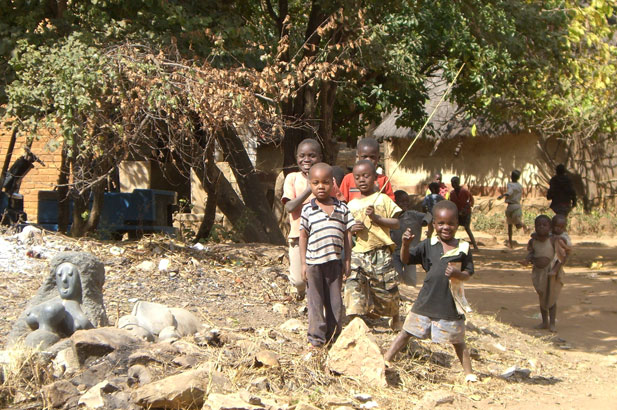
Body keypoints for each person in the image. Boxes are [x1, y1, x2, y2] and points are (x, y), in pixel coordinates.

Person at [384, 200, 476, 382]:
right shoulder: (428, 244)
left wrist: (458, 274)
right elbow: (406, 259)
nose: (446, 227)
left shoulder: (463, 247)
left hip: (450, 301)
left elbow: (468, 272)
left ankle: (469, 374)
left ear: (457, 224)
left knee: (458, 340)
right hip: (427, 298)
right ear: (434, 224)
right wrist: (405, 244)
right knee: (407, 332)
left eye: (450, 223)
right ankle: (386, 359)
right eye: (441, 223)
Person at [299, 163, 354, 348]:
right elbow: (303, 236)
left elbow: (347, 235)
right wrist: (303, 264)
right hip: (314, 264)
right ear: (310, 184)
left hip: (334, 262)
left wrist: (347, 260)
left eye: (325, 182)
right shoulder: (307, 209)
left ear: (333, 183)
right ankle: (316, 339)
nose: (320, 186)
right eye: (315, 183)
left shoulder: (342, 208)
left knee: (335, 302)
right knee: (315, 301)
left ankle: (334, 337)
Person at [345, 160, 402, 329]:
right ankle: (356, 320)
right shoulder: (351, 205)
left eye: (366, 176)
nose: (361, 180)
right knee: (354, 283)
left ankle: (395, 317)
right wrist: (352, 229)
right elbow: (347, 230)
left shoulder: (382, 199)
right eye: (357, 177)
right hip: (359, 252)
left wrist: (376, 218)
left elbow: (396, 223)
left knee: (387, 288)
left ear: (375, 178)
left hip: (380, 252)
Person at [282, 138, 341, 300]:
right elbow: (289, 207)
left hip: (323, 237)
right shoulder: (292, 178)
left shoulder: (328, 180)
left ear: (320, 157)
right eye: (302, 156)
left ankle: (315, 304)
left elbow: (338, 203)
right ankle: (302, 292)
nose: (306, 160)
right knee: (299, 280)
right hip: (298, 236)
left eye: (312, 156)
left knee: (321, 276)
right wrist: (309, 189)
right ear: (296, 158)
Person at [521, 215, 568, 332]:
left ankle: (552, 323)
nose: (541, 227)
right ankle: (544, 322)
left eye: (544, 225)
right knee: (542, 297)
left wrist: (555, 270)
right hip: (539, 272)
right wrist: (526, 260)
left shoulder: (553, 240)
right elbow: (532, 253)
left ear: (550, 227)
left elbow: (561, 257)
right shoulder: (533, 241)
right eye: (538, 225)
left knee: (551, 298)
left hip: (551, 272)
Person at [391, 190, 431, 287]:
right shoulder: (390, 218)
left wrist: (425, 221)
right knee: (396, 277)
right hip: (395, 253)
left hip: (410, 253)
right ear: (394, 202)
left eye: (407, 201)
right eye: (402, 201)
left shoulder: (414, 215)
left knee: (411, 278)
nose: (405, 203)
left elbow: (429, 215)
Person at [497, 170, 526, 248]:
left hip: (511, 206)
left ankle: (510, 243)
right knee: (517, 225)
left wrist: (502, 195)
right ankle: (523, 225)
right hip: (517, 206)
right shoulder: (520, 186)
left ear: (511, 176)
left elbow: (510, 192)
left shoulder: (510, 184)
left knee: (510, 225)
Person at [449, 177, 478, 250]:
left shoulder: (465, 192)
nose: (454, 184)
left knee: (467, 228)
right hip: (457, 213)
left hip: (466, 213)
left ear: (458, 183)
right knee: (454, 228)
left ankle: (475, 246)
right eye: (452, 183)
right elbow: (451, 204)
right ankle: (450, 245)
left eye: (455, 182)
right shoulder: (452, 193)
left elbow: (470, 201)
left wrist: (464, 210)